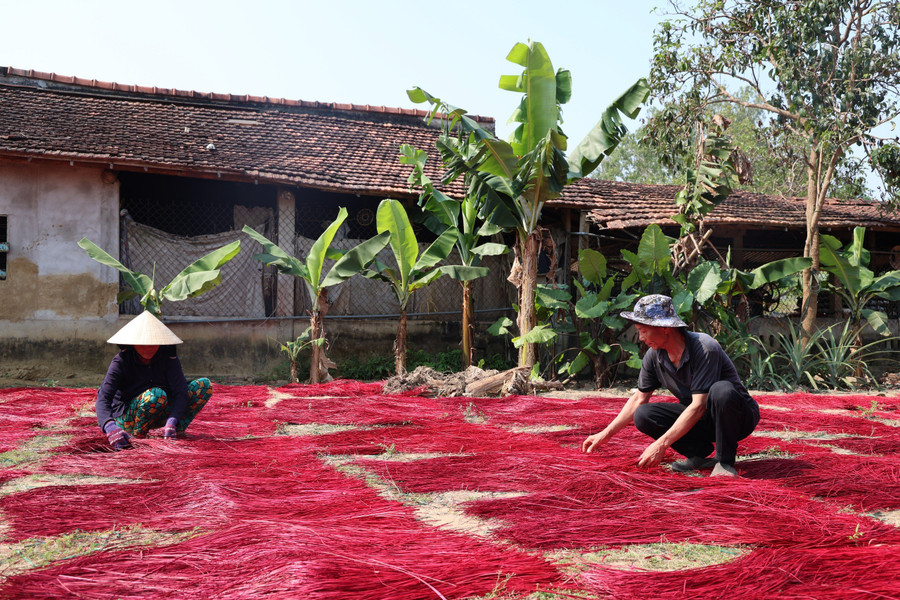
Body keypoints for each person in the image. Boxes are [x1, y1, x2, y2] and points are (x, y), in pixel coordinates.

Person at [582, 294, 760, 477]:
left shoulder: (704, 347)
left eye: (643, 330)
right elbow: (639, 399)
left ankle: (724, 462)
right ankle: (698, 454)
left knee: (721, 390)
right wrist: (605, 434)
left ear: (665, 327)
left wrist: (661, 445)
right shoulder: (654, 356)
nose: (641, 338)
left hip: (736, 417)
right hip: (704, 419)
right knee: (643, 415)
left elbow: (699, 405)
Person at [96, 310, 212, 451]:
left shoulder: (169, 359)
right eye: (143, 344)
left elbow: (180, 392)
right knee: (156, 395)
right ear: (132, 344)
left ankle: (173, 432)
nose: (149, 348)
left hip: (160, 411)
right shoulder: (121, 362)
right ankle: (138, 438)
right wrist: (109, 426)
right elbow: (103, 398)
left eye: (153, 343)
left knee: (203, 385)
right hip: (129, 417)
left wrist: (172, 421)